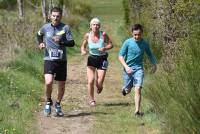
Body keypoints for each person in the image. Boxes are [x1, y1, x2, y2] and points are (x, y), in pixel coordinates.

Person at [37, 7, 75, 117]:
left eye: (58, 16)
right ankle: (48, 101)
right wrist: (40, 43)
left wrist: (62, 41)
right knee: (48, 82)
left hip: (62, 60)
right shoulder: (45, 27)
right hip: (49, 59)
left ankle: (58, 104)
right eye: (54, 16)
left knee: (61, 85)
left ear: (60, 17)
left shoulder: (65, 28)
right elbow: (39, 34)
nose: (55, 18)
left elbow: (72, 43)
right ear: (50, 16)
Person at [118, 24, 157, 117]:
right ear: (132, 33)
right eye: (135, 34)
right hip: (128, 69)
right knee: (127, 90)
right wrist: (126, 67)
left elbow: (150, 54)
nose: (137, 36)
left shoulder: (144, 43)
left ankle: (137, 111)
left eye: (139, 34)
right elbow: (120, 56)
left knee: (138, 88)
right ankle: (125, 89)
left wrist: (154, 64)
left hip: (139, 69)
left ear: (142, 33)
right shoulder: (127, 42)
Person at [81, 17, 113, 106]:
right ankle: (92, 100)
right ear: (90, 26)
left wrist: (105, 48)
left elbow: (111, 44)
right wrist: (83, 51)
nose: (96, 26)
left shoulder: (103, 34)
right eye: (94, 25)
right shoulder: (87, 35)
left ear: (99, 26)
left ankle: (99, 86)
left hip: (102, 59)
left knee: (99, 84)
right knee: (90, 81)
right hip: (91, 59)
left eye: (97, 25)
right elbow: (83, 46)